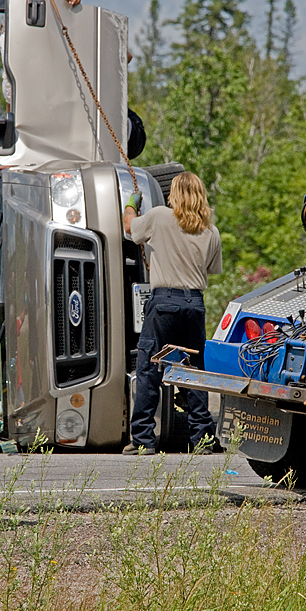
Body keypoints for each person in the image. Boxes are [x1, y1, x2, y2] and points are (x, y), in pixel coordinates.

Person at [121, 172, 222, 455]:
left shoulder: (159, 216)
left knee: (150, 368)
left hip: (164, 302)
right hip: (194, 305)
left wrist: (131, 204)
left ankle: (143, 439)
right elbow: (211, 270)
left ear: (174, 194)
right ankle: (201, 439)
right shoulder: (210, 231)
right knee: (193, 370)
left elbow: (130, 228)